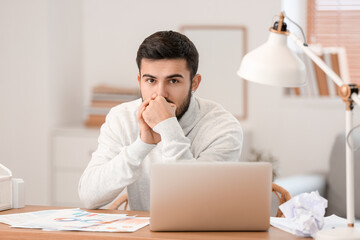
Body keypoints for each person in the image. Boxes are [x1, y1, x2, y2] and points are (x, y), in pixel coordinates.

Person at [78, 30, 243, 211]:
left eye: (173, 81)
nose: (160, 94)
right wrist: (142, 144)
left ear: (194, 83)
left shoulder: (223, 127)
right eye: (150, 80)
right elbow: (88, 197)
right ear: (140, 81)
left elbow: (195, 199)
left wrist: (168, 127)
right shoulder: (121, 117)